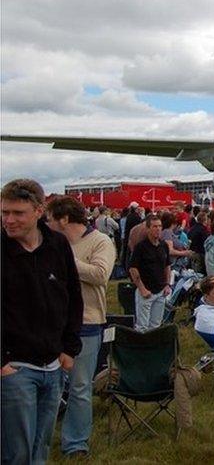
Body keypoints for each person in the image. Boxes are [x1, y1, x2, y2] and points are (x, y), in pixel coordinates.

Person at [1, 180, 83, 464]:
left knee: (42, 447)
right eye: (4, 212)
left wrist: (69, 349)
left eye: (17, 213)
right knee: (16, 453)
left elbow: (73, 296)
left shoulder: (57, 245)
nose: (9, 220)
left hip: (54, 364)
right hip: (15, 367)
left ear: (38, 211)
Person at [45, 196, 116, 458]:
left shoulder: (100, 241)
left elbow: (100, 274)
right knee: (48, 384)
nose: (47, 224)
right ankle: (40, 438)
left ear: (63, 219)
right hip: (51, 323)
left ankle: (75, 443)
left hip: (87, 322)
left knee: (79, 386)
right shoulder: (50, 242)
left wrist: (64, 261)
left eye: (50, 219)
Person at [129, 214, 171, 332]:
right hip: (146, 291)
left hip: (160, 291)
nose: (158, 229)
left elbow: (167, 266)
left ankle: (153, 348)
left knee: (156, 325)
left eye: (159, 226)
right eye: (154, 226)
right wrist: (142, 288)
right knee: (142, 326)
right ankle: (141, 348)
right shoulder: (140, 247)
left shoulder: (164, 246)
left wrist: (167, 284)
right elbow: (133, 268)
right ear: (148, 229)